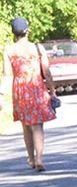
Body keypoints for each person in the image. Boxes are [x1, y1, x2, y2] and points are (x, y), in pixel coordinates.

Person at [3, 17, 57, 172]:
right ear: (27, 30)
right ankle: (39, 158)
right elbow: (46, 71)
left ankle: (31, 159)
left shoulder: (9, 50)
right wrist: (52, 91)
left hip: (20, 89)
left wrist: (2, 94)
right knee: (37, 125)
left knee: (26, 125)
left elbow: (8, 74)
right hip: (36, 87)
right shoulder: (37, 48)